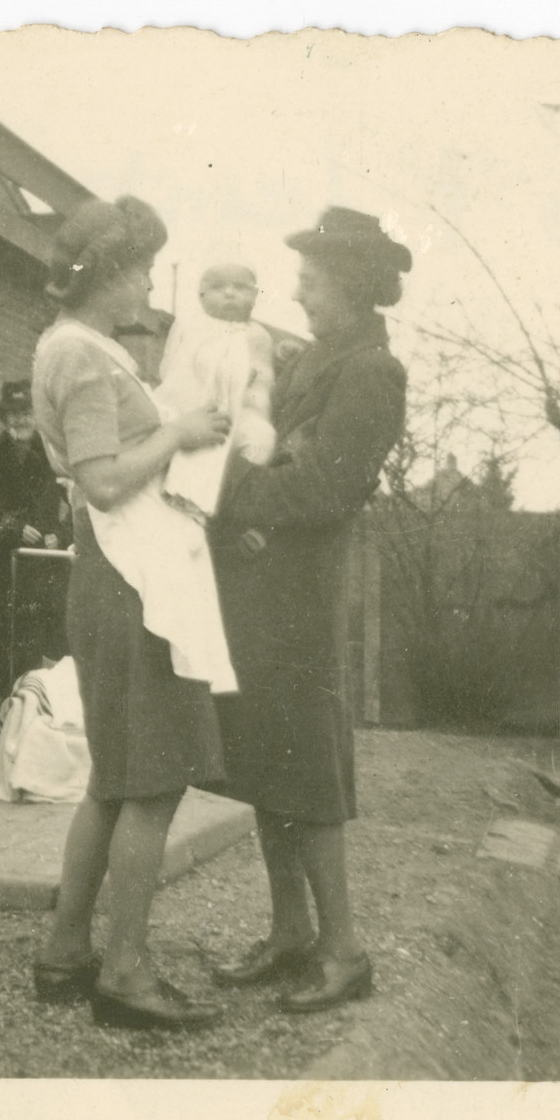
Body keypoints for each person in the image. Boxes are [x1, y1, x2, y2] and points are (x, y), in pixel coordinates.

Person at [29, 195, 234, 1029]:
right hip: (130, 582)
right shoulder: (83, 356)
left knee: (113, 784)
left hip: (119, 578)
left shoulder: (79, 349)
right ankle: (127, 970)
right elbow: (102, 477)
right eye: (142, 270)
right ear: (108, 276)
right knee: (150, 784)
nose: (149, 284)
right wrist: (179, 433)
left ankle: (65, 952)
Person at [208, 207, 412, 1014]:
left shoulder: (370, 373)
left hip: (300, 595)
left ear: (353, 287)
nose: (299, 297)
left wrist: (227, 491)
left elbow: (325, 486)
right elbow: (275, 449)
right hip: (261, 590)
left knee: (310, 772)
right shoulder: (313, 360)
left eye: (312, 284)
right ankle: (291, 934)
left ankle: (345, 950)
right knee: (267, 763)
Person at [0, 381, 73, 725]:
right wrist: (12, 530)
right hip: (3, 570)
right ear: (3, 418)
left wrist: (60, 534)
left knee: (45, 649)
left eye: (27, 412)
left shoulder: (57, 459)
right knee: (0, 648)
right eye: (13, 413)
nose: (20, 420)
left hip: (47, 572)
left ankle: (39, 727)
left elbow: (76, 508)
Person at [154, 262, 279, 520]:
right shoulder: (190, 326)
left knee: (262, 438)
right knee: (186, 450)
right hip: (196, 411)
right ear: (201, 295)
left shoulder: (259, 335)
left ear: (256, 295)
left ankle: (240, 494)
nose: (230, 293)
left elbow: (264, 383)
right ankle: (185, 497)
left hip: (242, 413)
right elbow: (172, 369)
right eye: (218, 287)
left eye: (241, 287)